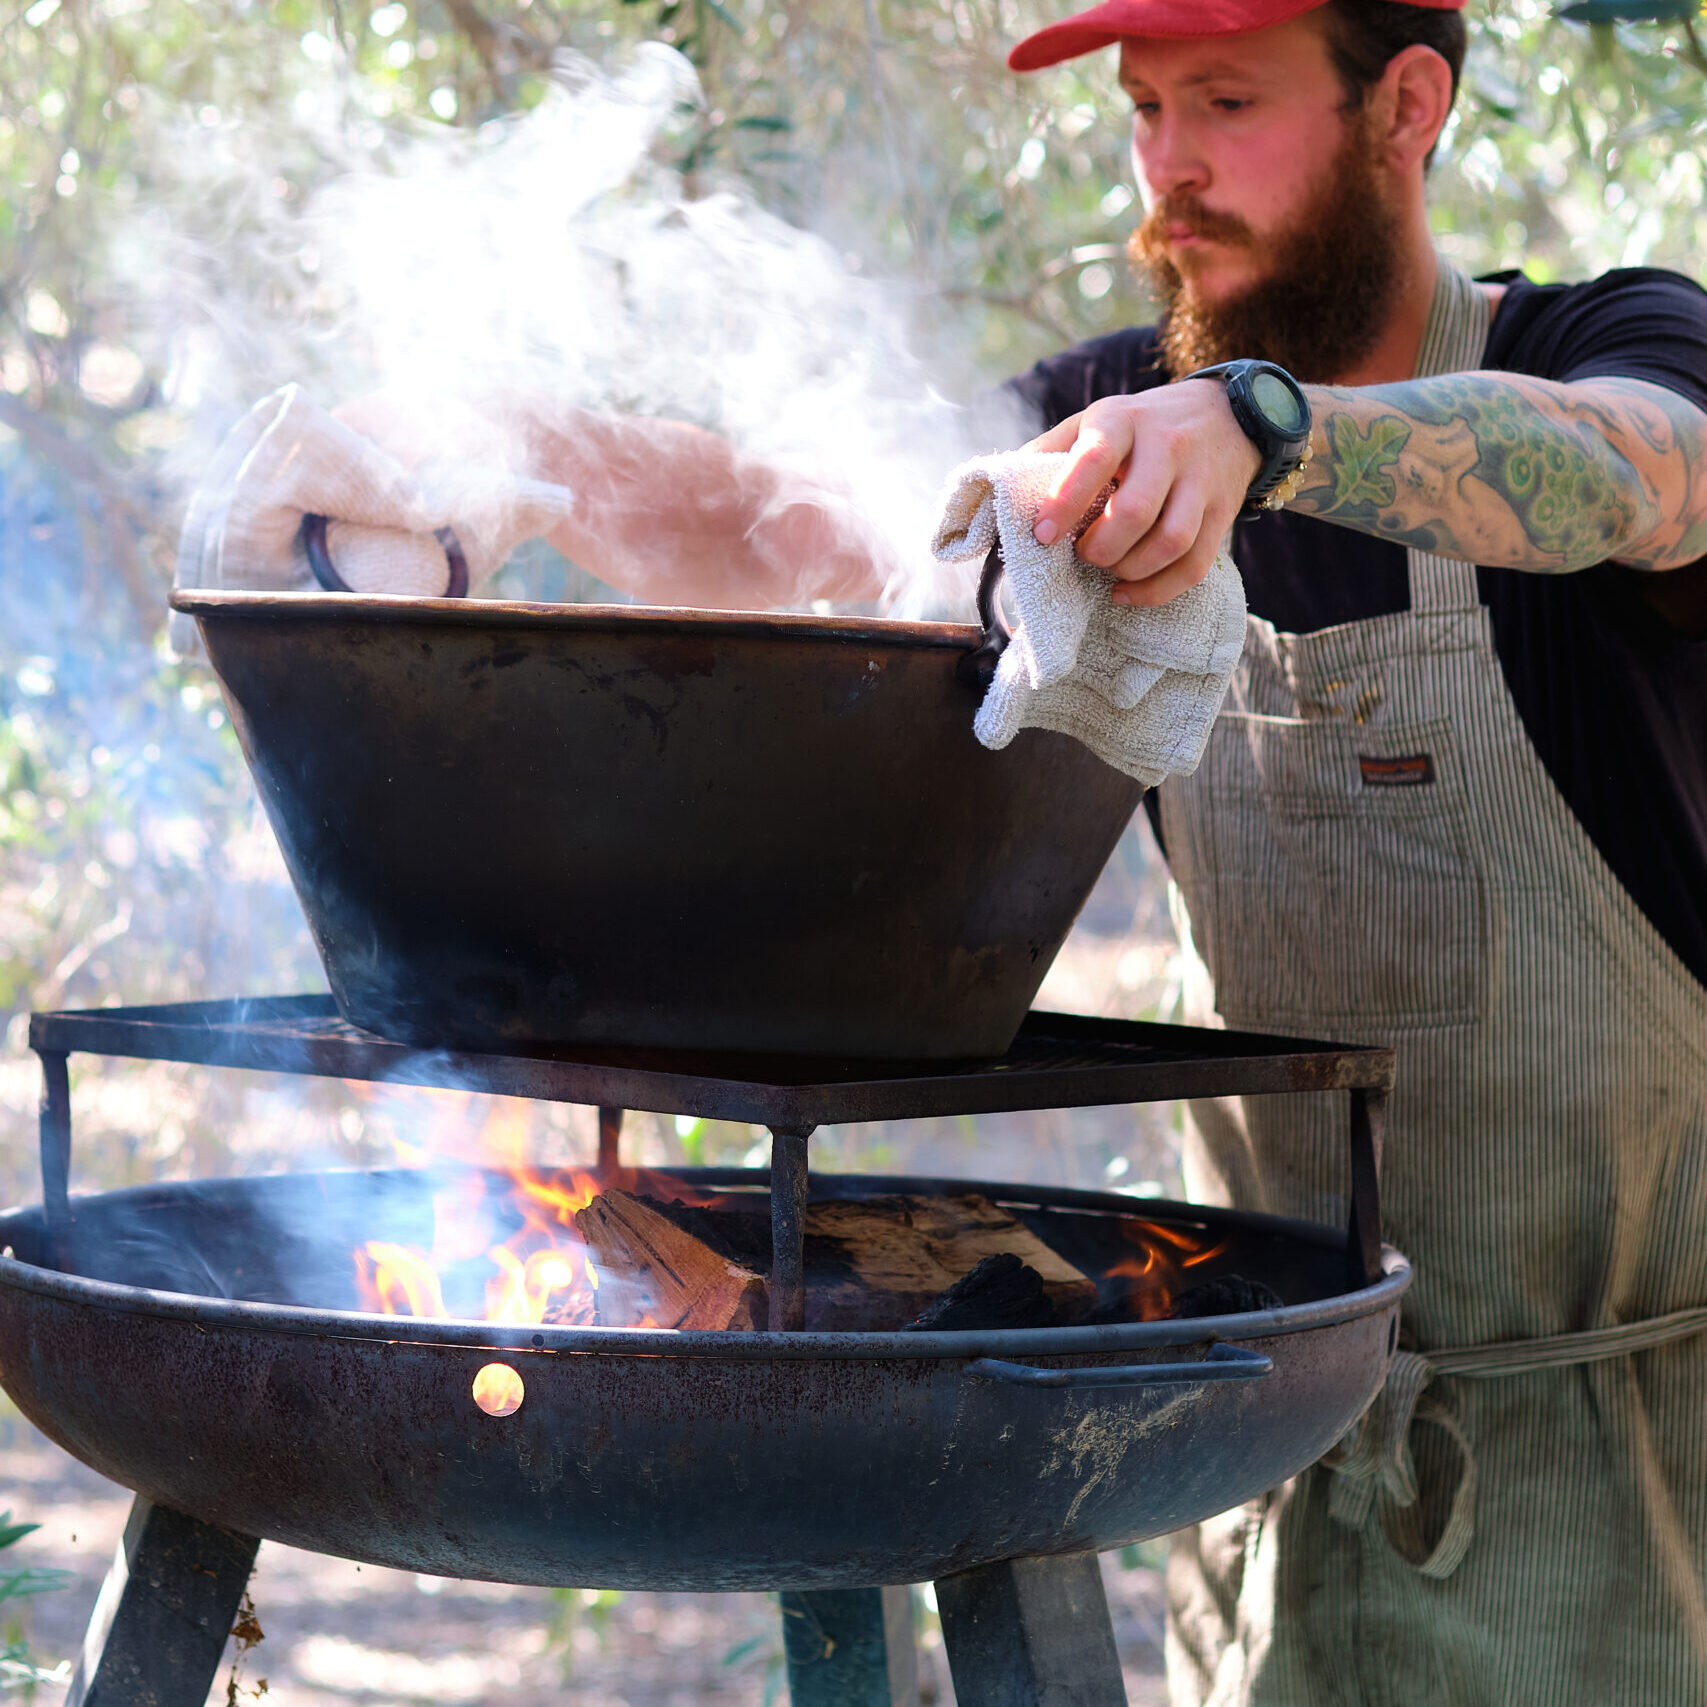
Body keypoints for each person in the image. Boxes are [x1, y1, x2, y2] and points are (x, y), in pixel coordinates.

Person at [331, 3, 1707, 1697]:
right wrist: (513, 472)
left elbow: (1649, 472)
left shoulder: (1614, 340)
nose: (1168, 169)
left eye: (1225, 100)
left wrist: (1272, 432)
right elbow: (813, 518)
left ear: (1405, 105)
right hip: (1284, 1462)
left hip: (1639, 1478)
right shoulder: (1118, 423)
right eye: (1142, 109)